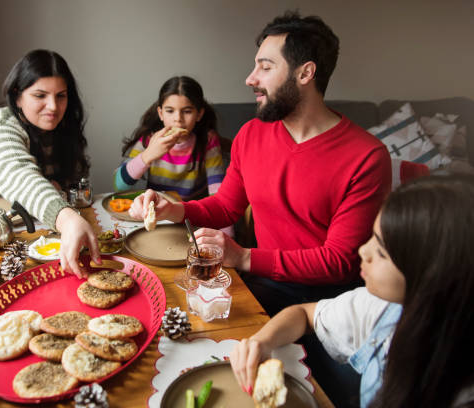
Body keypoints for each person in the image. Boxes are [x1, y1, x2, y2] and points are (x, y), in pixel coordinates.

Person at [128, 12, 392, 314]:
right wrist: (173, 209)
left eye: (265, 67)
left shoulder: (367, 157)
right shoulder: (251, 134)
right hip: (263, 284)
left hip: (329, 303)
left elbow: (338, 261)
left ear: (305, 74)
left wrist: (244, 258)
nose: (250, 78)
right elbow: (226, 206)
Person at [229, 174, 474, 408]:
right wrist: (261, 342)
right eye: (372, 238)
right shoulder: (380, 306)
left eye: (381, 252)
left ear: (430, 275)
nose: (362, 252)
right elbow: (304, 314)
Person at [0, 49, 101, 276]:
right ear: (17, 96)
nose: (53, 106)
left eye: (61, 95)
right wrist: (68, 219)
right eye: (40, 95)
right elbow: (19, 175)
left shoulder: (56, 128)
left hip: (29, 232)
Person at [114, 76, 226, 201]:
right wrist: (148, 154)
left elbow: (217, 193)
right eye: (170, 111)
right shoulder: (149, 140)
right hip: (156, 212)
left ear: (199, 114)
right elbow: (119, 185)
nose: (178, 118)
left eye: (187, 111)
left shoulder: (208, 140)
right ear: (161, 113)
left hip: (191, 213)